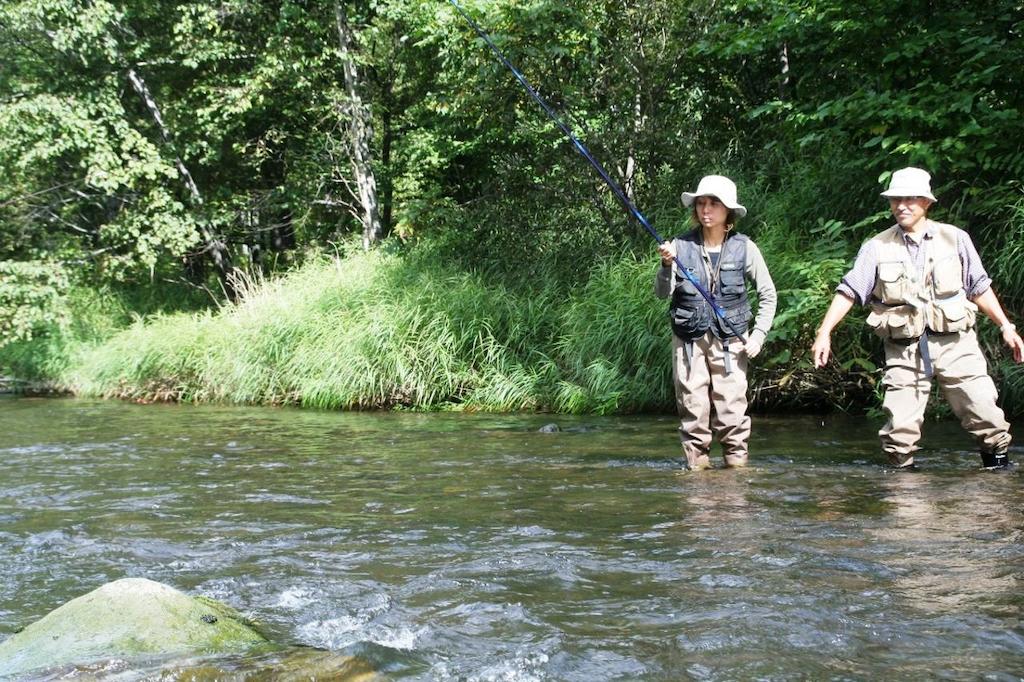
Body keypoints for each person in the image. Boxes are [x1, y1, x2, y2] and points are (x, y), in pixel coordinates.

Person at [811, 167, 1024, 470]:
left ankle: (998, 477)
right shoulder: (876, 247)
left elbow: (979, 287)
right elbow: (849, 291)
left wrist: (1006, 326)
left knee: (987, 418)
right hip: (905, 349)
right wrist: (824, 332)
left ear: (927, 202)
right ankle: (906, 504)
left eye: (910, 199)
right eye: (896, 199)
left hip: (957, 345)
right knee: (899, 434)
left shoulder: (955, 239)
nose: (901, 206)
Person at [655, 175, 777, 470]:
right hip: (688, 341)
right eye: (701, 203)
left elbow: (768, 294)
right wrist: (666, 265)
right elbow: (661, 293)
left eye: (713, 203)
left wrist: (758, 335)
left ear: (728, 211)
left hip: (731, 341)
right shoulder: (678, 247)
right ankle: (698, 476)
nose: (705, 210)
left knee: (732, 414)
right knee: (693, 412)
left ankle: (737, 479)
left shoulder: (746, 248)